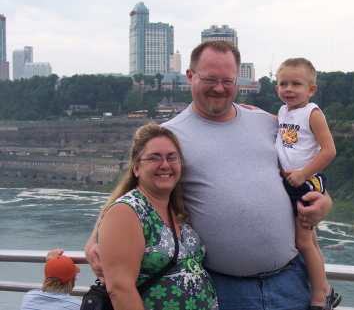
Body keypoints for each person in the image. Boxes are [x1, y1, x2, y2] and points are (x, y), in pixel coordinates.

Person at [86, 40, 333, 310]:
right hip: (223, 290)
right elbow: (134, 192)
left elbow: (299, 168)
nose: (219, 88)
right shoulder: (170, 136)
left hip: (292, 282)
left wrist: (325, 202)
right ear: (190, 76)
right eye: (210, 79)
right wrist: (94, 239)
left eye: (228, 81)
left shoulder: (268, 123)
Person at [85, 122, 218, 310]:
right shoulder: (126, 211)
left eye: (172, 158)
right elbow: (120, 290)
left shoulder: (175, 209)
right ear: (136, 168)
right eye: (154, 158)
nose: (165, 165)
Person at [275, 57, 339, 309]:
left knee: (302, 242)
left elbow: (329, 150)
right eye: (283, 84)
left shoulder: (312, 113)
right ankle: (325, 288)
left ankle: (318, 298)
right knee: (310, 240)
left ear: (311, 89)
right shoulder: (283, 111)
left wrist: (303, 173)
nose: (289, 89)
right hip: (294, 181)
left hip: (306, 182)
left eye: (296, 84)